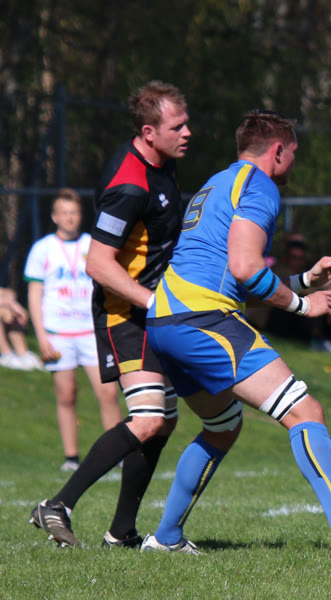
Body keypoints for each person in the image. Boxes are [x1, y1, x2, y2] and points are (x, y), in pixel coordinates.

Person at [140, 109, 331, 556]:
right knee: (305, 411)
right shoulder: (260, 185)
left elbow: (234, 278)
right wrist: (305, 306)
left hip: (164, 322)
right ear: (277, 151)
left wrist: (306, 281)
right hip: (203, 320)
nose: (293, 161)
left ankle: (166, 539)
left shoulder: (218, 183)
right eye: (293, 152)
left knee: (221, 427)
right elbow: (246, 269)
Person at [29, 81, 191, 549]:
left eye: (186, 123)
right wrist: (152, 301)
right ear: (149, 132)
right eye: (177, 127)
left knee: (164, 420)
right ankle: (57, 505)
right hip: (126, 312)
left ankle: (121, 532)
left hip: (152, 313)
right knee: (148, 419)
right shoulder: (129, 184)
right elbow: (98, 264)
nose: (187, 133)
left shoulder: (163, 162)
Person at [24, 188, 121, 471]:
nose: (69, 218)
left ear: (81, 215)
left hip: (91, 331)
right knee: (66, 395)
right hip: (58, 333)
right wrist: (41, 336)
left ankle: (117, 455)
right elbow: (34, 294)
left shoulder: (93, 244)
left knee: (108, 393)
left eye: (74, 212)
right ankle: (71, 458)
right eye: (64, 213)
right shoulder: (43, 249)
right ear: (55, 216)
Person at [257, 233, 331, 355]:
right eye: (294, 256)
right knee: (311, 303)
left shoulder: (307, 268)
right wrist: (322, 288)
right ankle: (320, 340)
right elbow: (286, 289)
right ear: (286, 255)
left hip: (302, 315)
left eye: (301, 257)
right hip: (280, 317)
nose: (298, 261)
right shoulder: (277, 269)